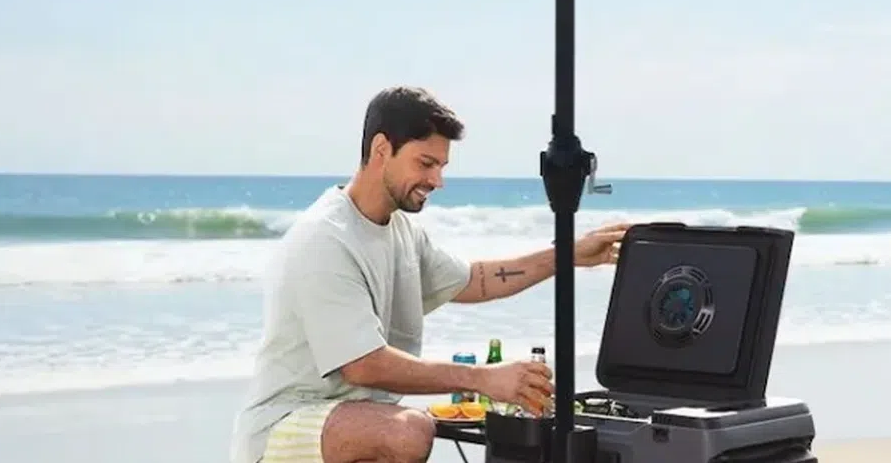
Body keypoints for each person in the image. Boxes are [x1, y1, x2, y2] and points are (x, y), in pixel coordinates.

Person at [229, 86, 630, 463]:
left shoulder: (400, 230)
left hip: (350, 416)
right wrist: (483, 379)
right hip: (283, 426)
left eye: (441, 166)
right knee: (409, 431)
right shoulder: (326, 238)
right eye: (426, 163)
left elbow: (476, 280)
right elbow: (364, 365)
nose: (437, 180)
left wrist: (570, 255)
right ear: (381, 149)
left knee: (410, 428)